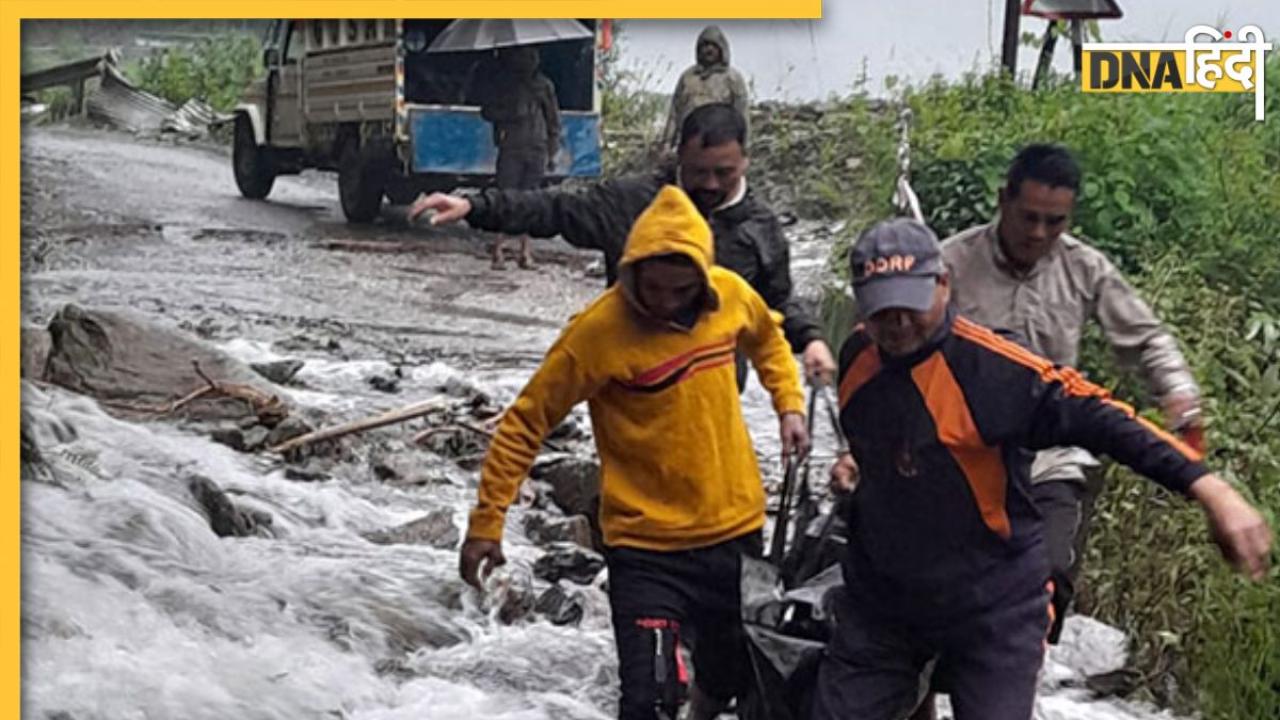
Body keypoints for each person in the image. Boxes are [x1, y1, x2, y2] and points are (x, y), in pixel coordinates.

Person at [811, 218, 1271, 720]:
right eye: (883, 311)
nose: (898, 324)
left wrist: (1211, 489)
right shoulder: (858, 354)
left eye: (911, 305)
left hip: (992, 603)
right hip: (885, 599)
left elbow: (1106, 419)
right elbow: (887, 437)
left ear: (943, 284)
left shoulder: (995, 371)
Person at [459, 186, 810, 720]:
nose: (666, 302)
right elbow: (525, 423)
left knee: (734, 676)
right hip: (645, 548)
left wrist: (788, 405)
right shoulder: (598, 333)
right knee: (647, 701)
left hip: (733, 531)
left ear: (701, 279)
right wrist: (487, 523)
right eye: (655, 289)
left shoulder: (732, 295)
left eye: (680, 290)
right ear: (631, 275)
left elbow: (768, 339)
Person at [940, 143, 1203, 644]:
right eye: (1029, 218)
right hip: (962, 454)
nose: (1039, 234)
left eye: (1054, 222)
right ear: (1003, 201)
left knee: (1048, 584)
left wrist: (1179, 396)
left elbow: (1147, 338)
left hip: (1050, 456)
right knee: (935, 604)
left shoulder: (1085, 268)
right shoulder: (949, 264)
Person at [410, 102, 836, 384]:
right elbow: (555, 209)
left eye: (723, 173)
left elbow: (776, 305)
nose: (709, 184)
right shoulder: (631, 203)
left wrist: (811, 342)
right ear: (679, 157)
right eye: (698, 171)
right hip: (629, 382)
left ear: (745, 160)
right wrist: (475, 206)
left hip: (714, 390)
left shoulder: (759, 229)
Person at [475, 45, 561, 270]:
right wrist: (510, 114)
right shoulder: (505, 85)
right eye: (525, 57)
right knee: (506, 198)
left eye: (533, 57)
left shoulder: (544, 86)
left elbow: (553, 120)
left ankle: (525, 253)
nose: (530, 62)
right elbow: (487, 111)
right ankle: (498, 251)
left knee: (530, 200)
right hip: (511, 148)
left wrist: (552, 151)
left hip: (537, 149)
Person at [660, 26, 750, 149]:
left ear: (721, 49)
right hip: (689, 143)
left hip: (720, 143)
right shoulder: (688, 77)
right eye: (705, 45)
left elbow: (741, 114)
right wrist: (667, 143)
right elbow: (675, 113)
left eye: (713, 45)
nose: (708, 49)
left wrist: (743, 146)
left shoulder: (733, 78)